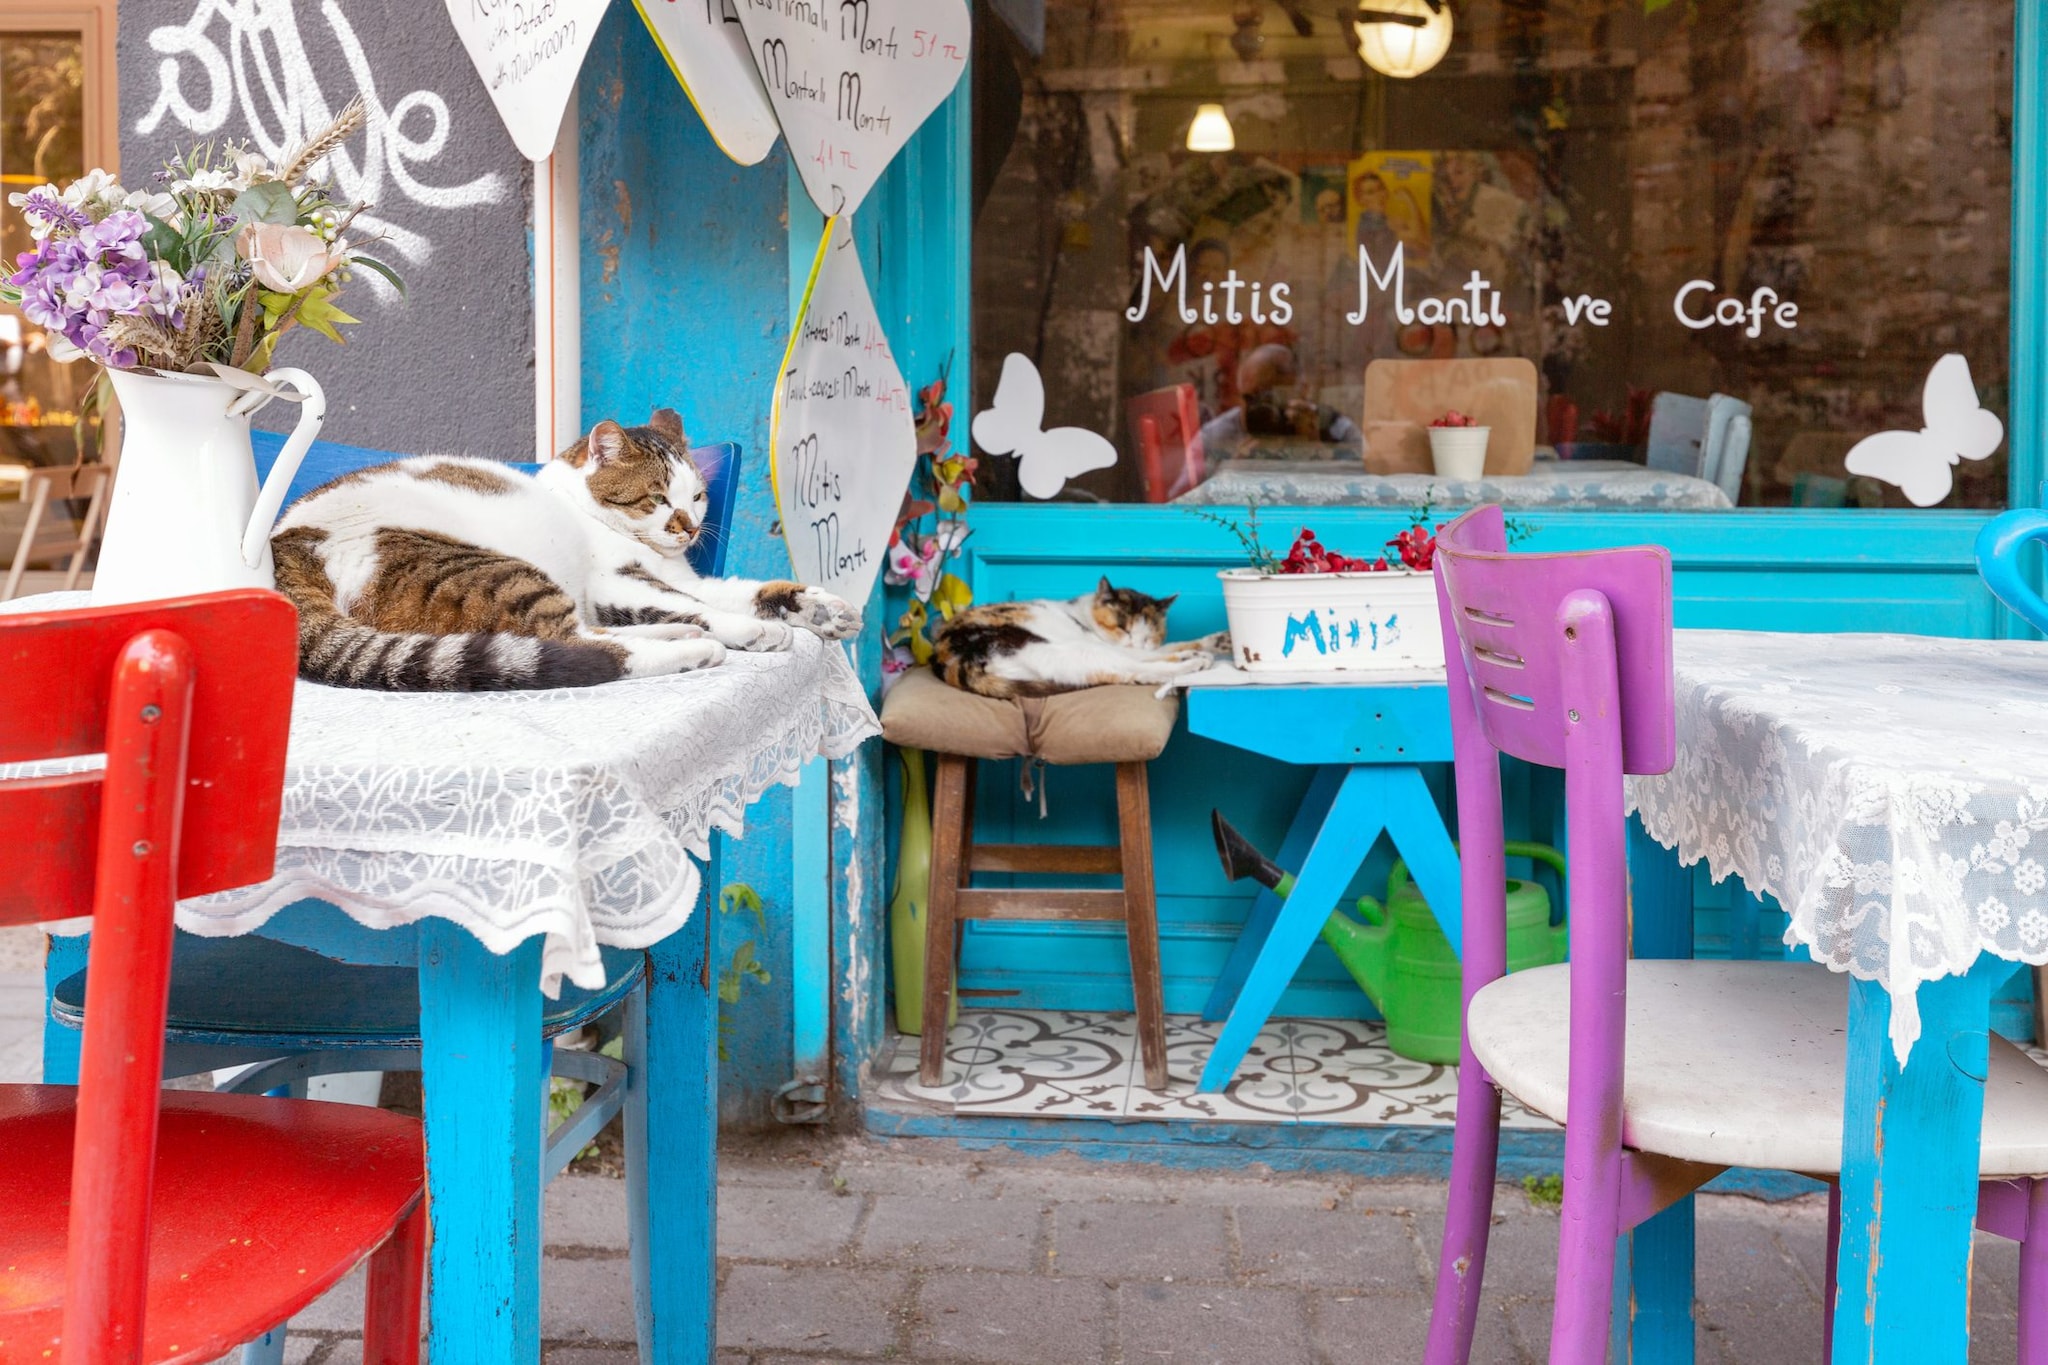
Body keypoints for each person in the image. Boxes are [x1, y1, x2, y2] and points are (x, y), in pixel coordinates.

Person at [1196, 343, 1362, 472]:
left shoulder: (1333, 426)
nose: (1264, 409)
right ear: (1239, 393)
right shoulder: (1216, 436)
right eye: (1252, 398)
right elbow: (1183, 498)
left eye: (1274, 398)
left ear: (1302, 391)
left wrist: (1316, 449)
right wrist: (1232, 472)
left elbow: (1366, 483)